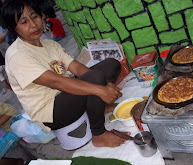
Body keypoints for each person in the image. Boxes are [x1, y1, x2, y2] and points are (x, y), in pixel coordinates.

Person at [1, 0, 129, 148]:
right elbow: (56, 82)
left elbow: (77, 68)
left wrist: (105, 86)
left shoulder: (50, 44)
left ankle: (99, 106)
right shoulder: (17, 54)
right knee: (95, 79)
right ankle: (99, 134)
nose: (33, 24)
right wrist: (101, 89)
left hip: (66, 94)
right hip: (51, 111)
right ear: (13, 28)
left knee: (111, 64)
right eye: (24, 22)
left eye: (34, 17)